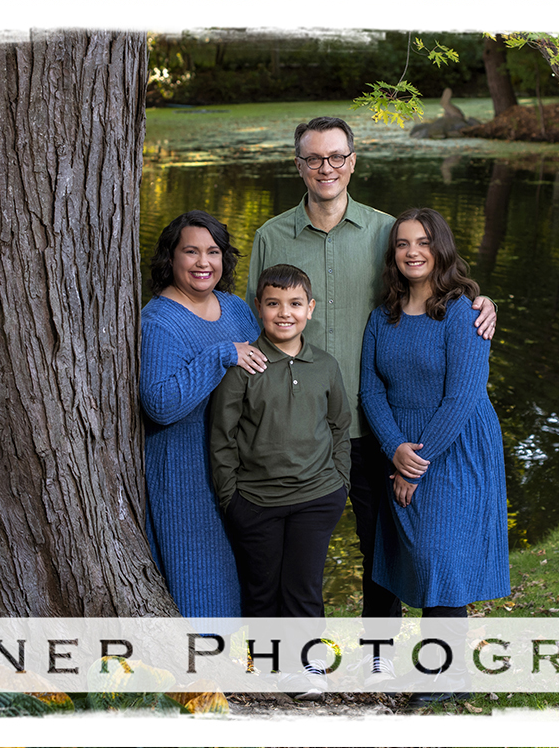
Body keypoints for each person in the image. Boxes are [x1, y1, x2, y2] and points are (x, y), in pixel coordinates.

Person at [245, 117, 498, 681]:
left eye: (336, 156)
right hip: (293, 428)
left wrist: (481, 301)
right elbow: (249, 319)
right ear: (299, 166)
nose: (326, 168)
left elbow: (430, 277)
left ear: (353, 162)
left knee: (381, 545)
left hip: (370, 428)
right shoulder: (270, 236)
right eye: (314, 158)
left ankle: (378, 658)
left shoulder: (386, 230)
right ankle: (289, 660)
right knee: (292, 550)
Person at [359, 207, 511, 702]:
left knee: (439, 554)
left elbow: (463, 397)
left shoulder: (464, 313)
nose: (413, 252)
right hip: (402, 445)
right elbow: (371, 391)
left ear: (440, 248)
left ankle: (446, 676)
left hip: (457, 445)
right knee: (415, 555)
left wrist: (415, 467)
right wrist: (394, 449)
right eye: (403, 243)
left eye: (423, 242)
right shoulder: (382, 318)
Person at [139, 210, 268, 618]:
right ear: (171, 257)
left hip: (237, 472)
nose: (203, 262)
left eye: (213, 252)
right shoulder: (159, 321)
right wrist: (221, 354)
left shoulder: (235, 308)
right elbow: (160, 405)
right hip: (186, 475)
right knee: (202, 591)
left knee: (248, 581)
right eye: (191, 251)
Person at [209, 263, 351, 621]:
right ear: (259, 307)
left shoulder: (325, 366)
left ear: (310, 309)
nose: (284, 313)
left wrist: (340, 484)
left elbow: (339, 426)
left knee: (304, 590)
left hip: (317, 498)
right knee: (261, 592)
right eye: (273, 303)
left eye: (295, 304)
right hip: (256, 502)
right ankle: (266, 655)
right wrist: (231, 499)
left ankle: (305, 655)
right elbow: (223, 437)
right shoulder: (244, 366)